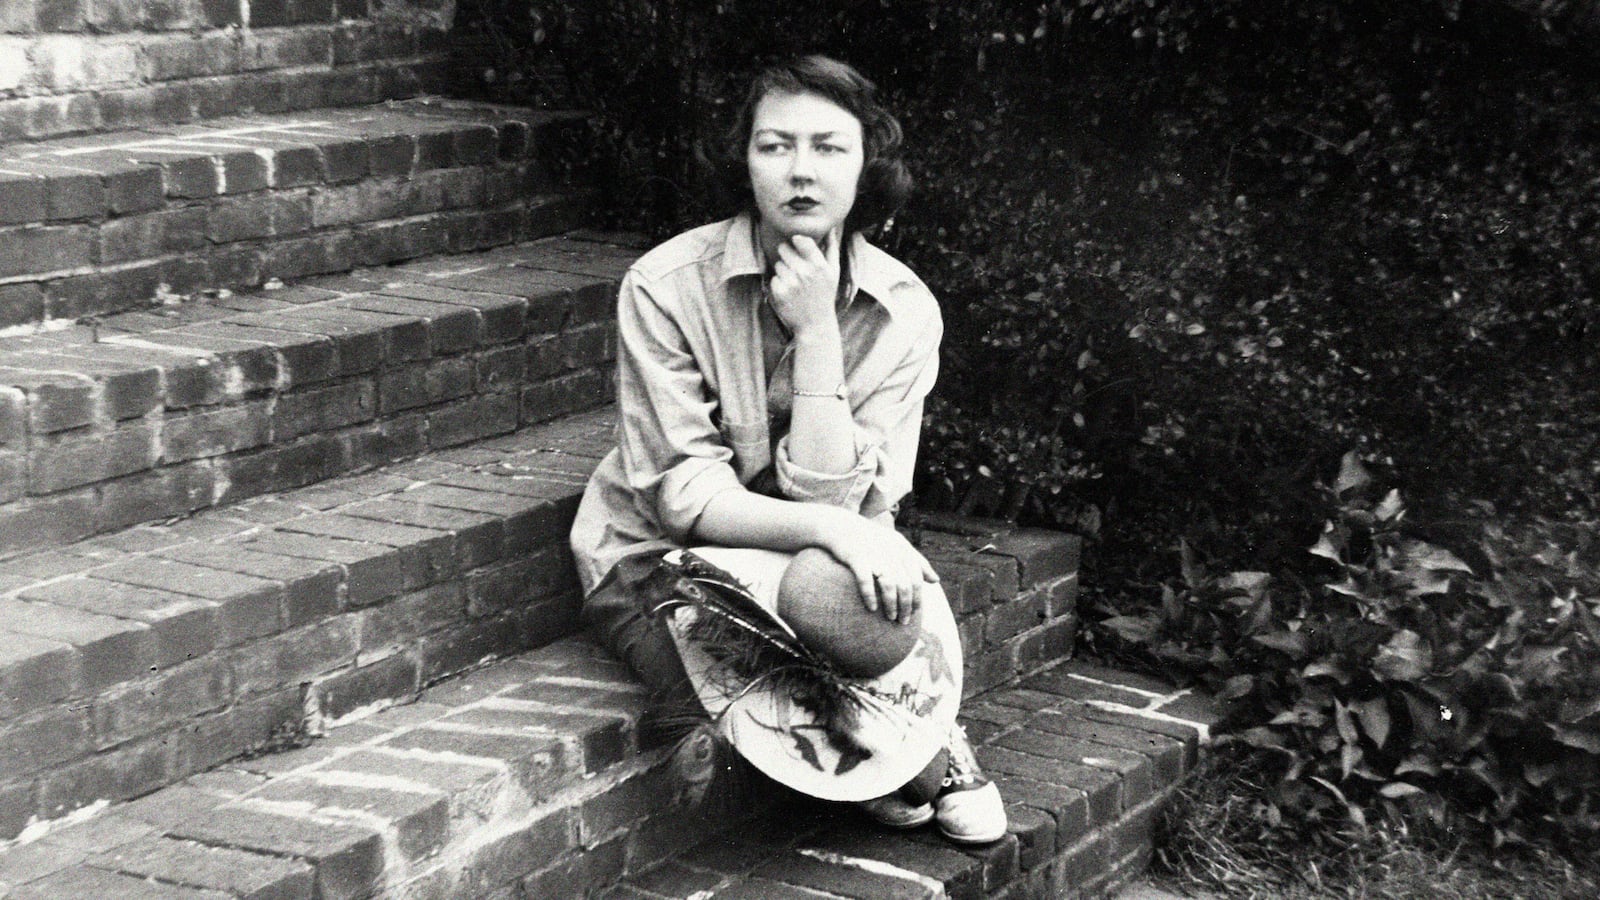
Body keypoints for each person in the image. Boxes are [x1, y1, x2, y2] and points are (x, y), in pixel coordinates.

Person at [568, 55, 1006, 844]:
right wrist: (836, 533)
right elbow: (686, 499)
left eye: (829, 147)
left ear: (867, 163)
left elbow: (846, 507)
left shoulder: (904, 310)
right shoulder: (665, 285)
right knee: (745, 709)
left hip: (814, 564)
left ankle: (917, 733)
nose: (801, 171)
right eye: (775, 146)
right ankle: (897, 748)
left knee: (855, 633)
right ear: (744, 158)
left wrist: (817, 335)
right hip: (660, 554)